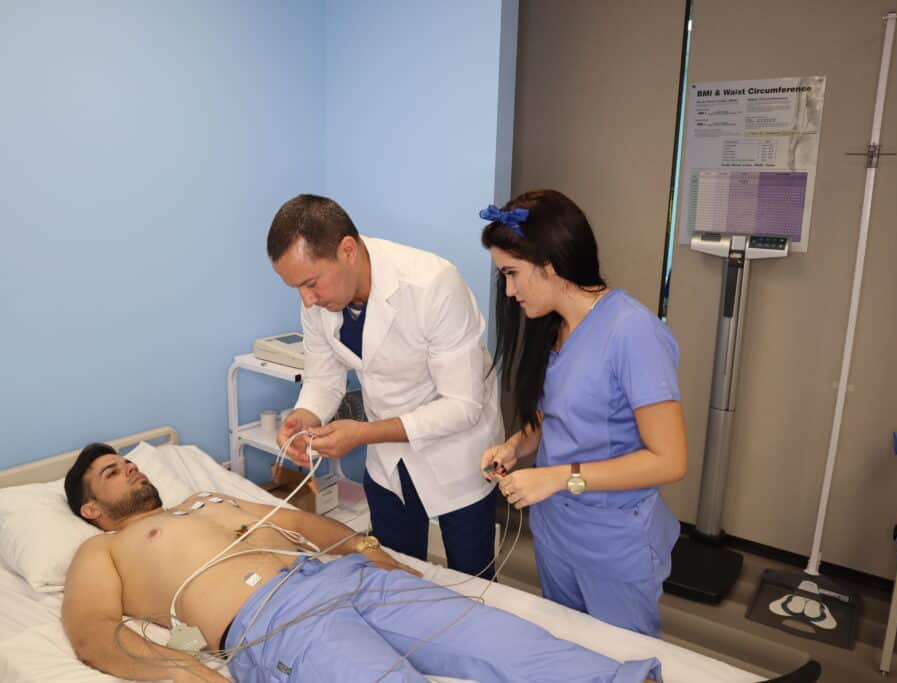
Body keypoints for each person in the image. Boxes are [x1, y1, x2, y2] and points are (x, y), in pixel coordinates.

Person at [60, 443, 664, 682]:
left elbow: (297, 523)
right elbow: (92, 635)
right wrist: (184, 674)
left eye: (129, 461)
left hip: (348, 578)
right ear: (91, 509)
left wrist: (367, 549)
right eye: (113, 472)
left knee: (505, 640)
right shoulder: (103, 549)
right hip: (274, 622)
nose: (132, 468)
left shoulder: (207, 499)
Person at [478, 189, 687, 637]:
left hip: (613, 540)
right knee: (572, 649)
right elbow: (551, 417)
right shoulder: (551, 327)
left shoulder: (631, 332)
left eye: (513, 275)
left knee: (622, 661)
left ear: (549, 265)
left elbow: (669, 460)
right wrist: (516, 446)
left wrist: (556, 477)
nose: (510, 292)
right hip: (557, 530)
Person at [266, 194, 502, 578]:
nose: (306, 301)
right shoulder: (318, 301)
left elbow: (462, 405)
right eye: (297, 288)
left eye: (310, 284)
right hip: (387, 459)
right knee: (393, 571)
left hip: (456, 451)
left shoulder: (433, 284)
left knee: (473, 580)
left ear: (347, 251)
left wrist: (362, 434)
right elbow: (324, 377)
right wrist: (304, 416)